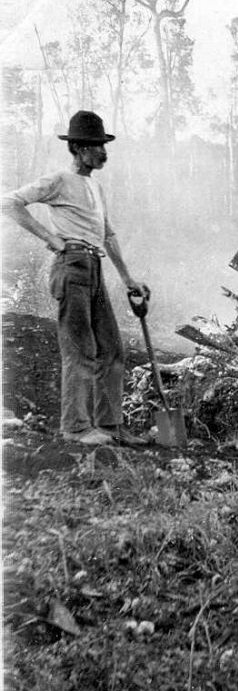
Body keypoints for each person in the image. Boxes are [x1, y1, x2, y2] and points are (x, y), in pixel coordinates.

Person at [3, 110, 148, 447]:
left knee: (111, 349)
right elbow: (9, 203)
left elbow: (107, 235)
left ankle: (110, 426)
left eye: (104, 145)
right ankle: (76, 428)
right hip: (71, 267)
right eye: (97, 146)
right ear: (80, 148)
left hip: (94, 267)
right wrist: (49, 238)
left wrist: (127, 278)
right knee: (80, 349)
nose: (103, 152)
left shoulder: (96, 186)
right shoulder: (58, 180)